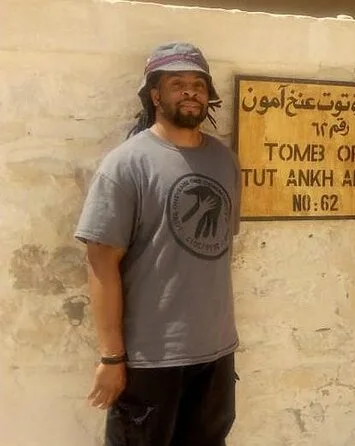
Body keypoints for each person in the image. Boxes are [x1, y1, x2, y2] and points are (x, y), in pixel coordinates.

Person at [75, 42, 241, 446]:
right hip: (149, 360)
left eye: (198, 84)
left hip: (216, 354)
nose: (190, 92)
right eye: (177, 83)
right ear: (155, 95)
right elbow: (100, 262)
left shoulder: (224, 161)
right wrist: (111, 356)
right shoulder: (126, 164)